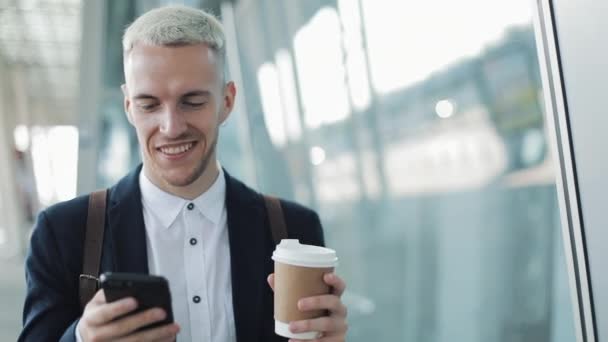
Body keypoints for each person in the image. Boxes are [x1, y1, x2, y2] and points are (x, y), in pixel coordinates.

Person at [19, 5, 348, 342]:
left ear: (227, 101)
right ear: (129, 107)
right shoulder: (63, 233)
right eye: (149, 104)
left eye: (192, 101)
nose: (171, 127)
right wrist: (81, 337)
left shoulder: (294, 228)